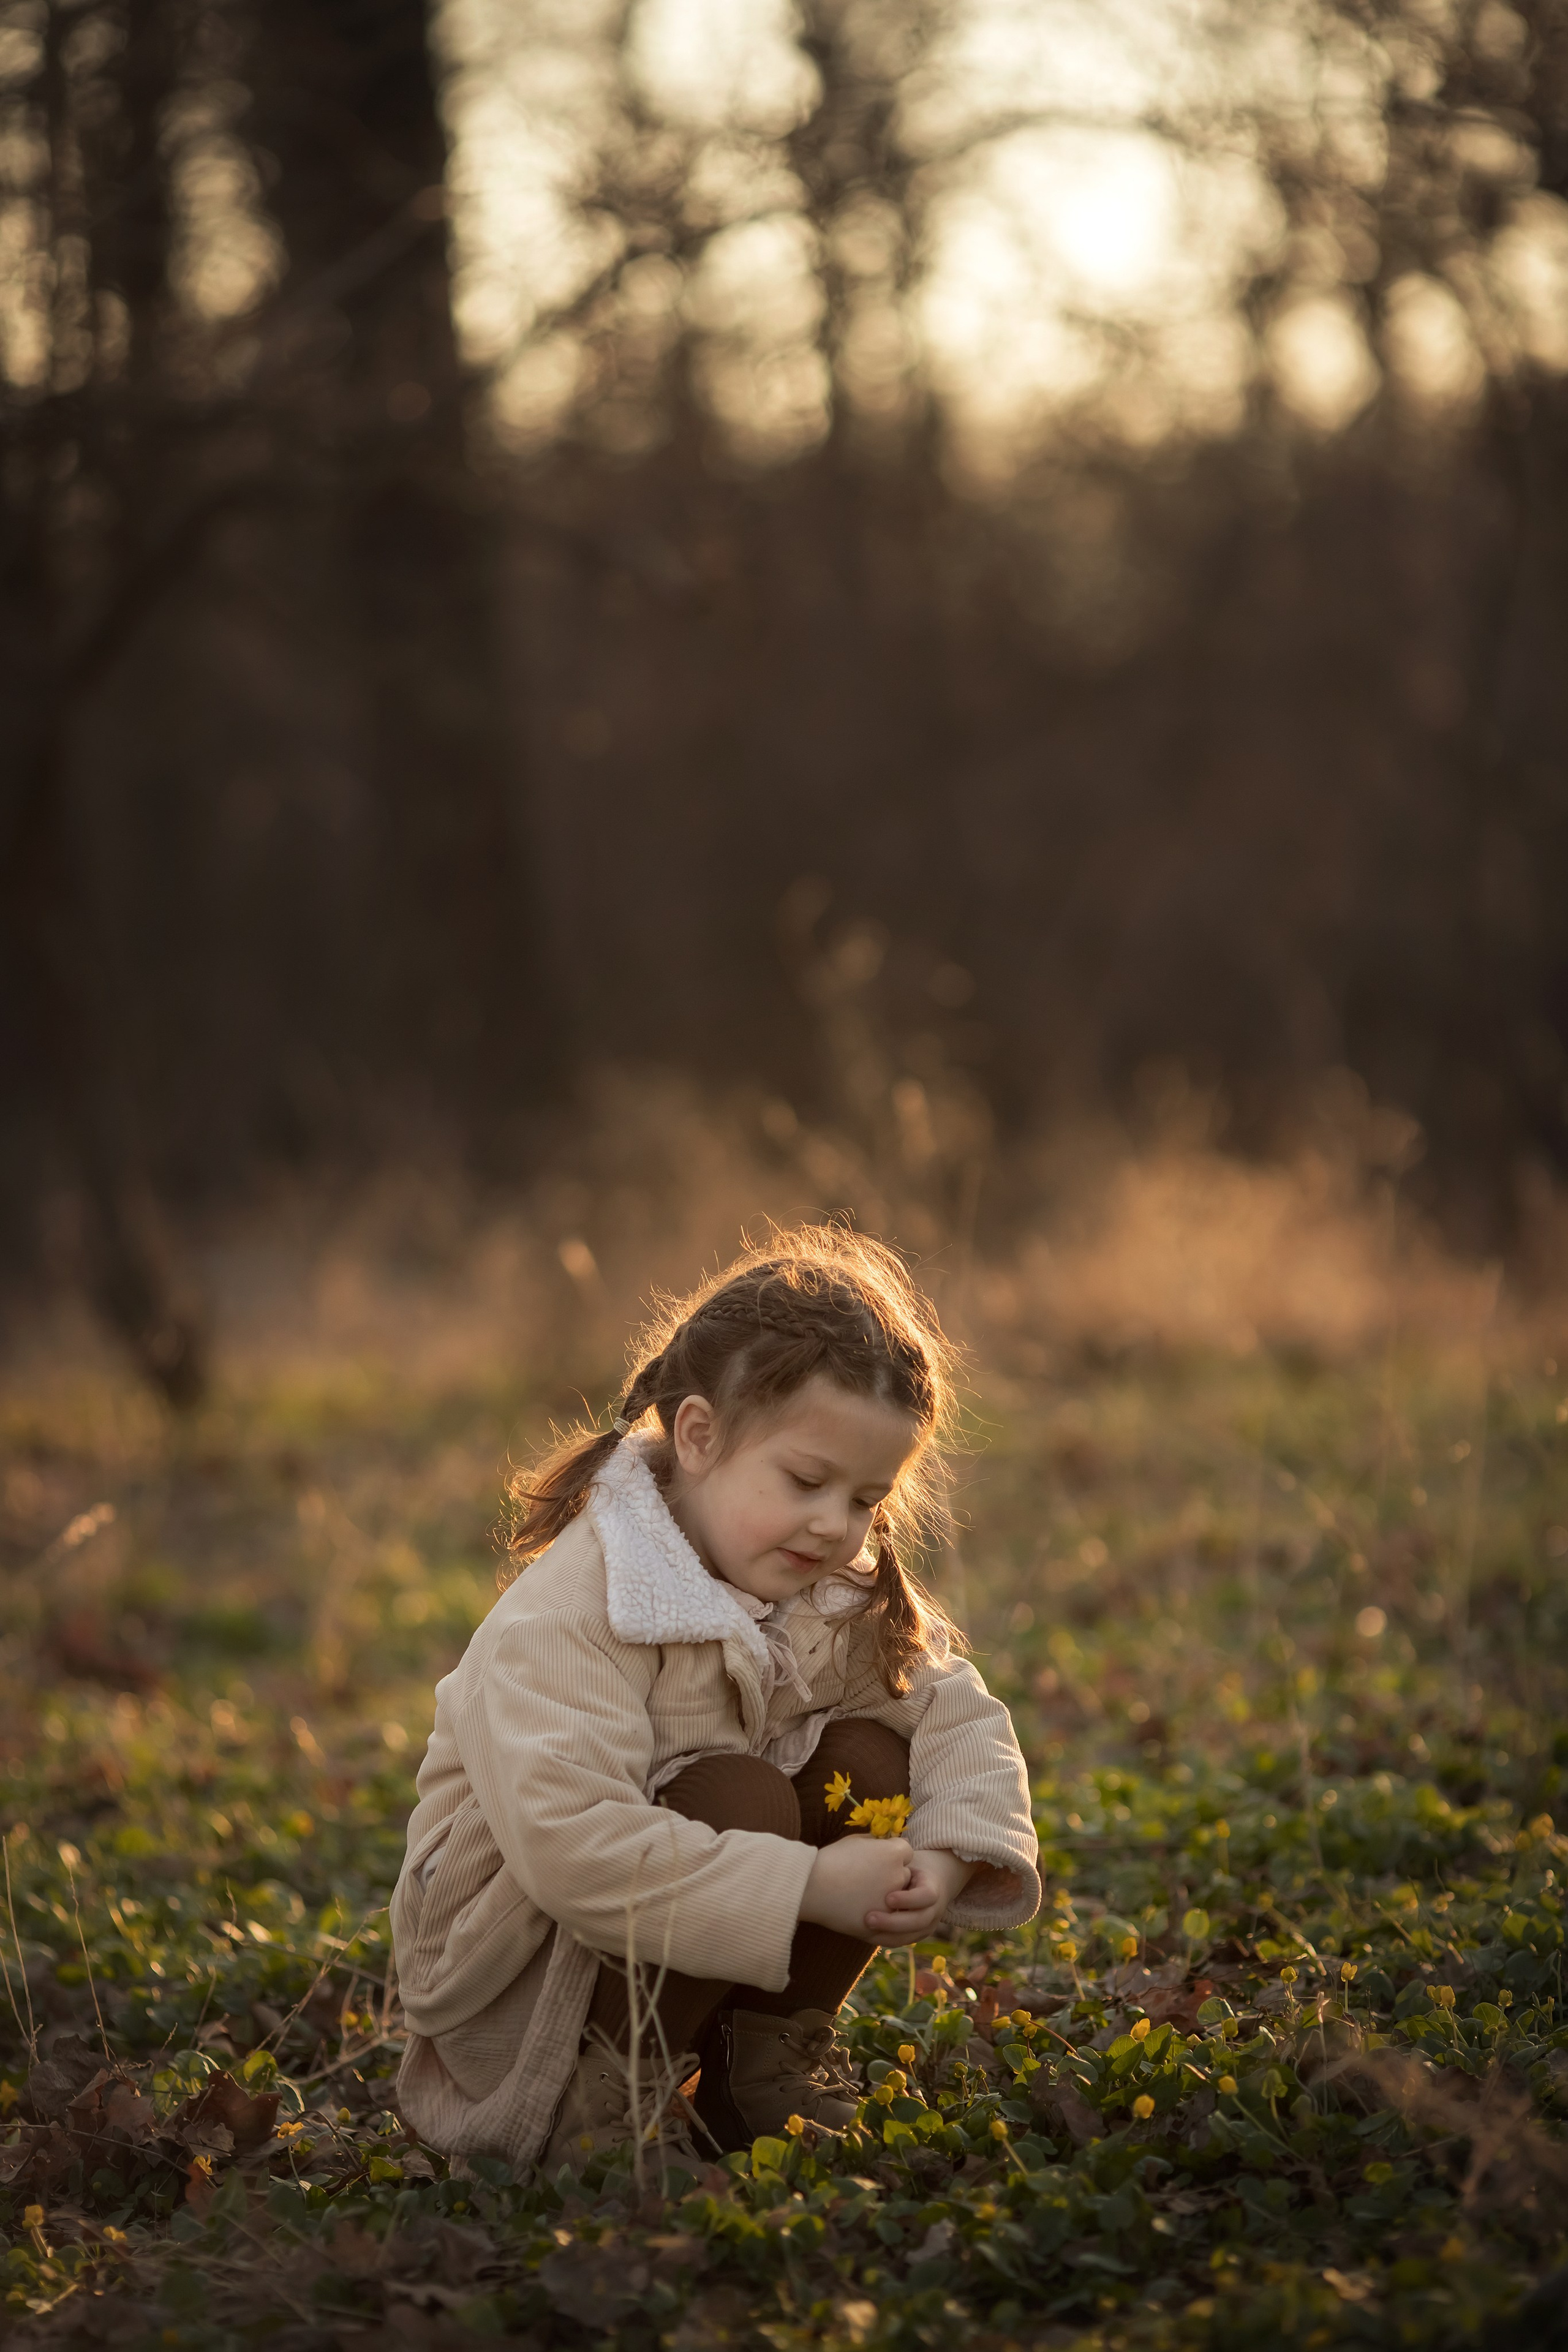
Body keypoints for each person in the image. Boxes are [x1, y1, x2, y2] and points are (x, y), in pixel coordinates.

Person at [390, 1226, 1040, 2178]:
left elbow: (956, 1714)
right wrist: (814, 1887)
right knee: (738, 1794)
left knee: (874, 1758)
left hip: (674, 1938)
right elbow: (576, 1849)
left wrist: (943, 1859)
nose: (836, 1525)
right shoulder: (575, 1612)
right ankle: (604, 2101)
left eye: (866, 1498)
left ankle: (756, 2075)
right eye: (807, 1481)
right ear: (698, 1436)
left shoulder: (825, 1581)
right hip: (523, 1977)